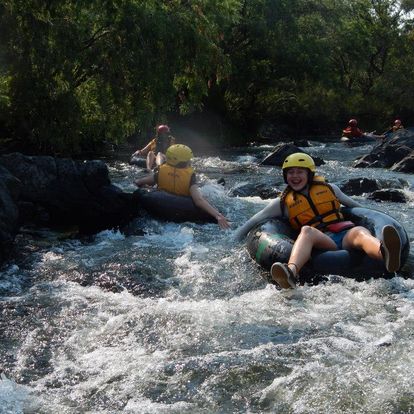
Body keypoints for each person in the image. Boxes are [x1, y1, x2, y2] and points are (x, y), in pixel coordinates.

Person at [234, 152, 402, 289]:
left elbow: (361, 211)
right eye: (291, 172)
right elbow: (254, 221)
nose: (295, 176)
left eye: (300, 172)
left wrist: (379, 223)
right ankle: (290, 272)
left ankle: (385, 254)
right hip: (322, 240)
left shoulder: (330, 189)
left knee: (360, 232)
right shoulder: (282, 203)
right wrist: (233, 239)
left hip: (344, 235)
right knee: (307, 230)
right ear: (286, 176)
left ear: (309, 174)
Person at [134, 144, 231, 229]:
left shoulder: (160, 172)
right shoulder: (190, 176)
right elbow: (199, 200)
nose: (190, 162)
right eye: (188, 160)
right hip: (183, 210)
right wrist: (218, 215)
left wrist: (148, 189)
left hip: (160, 208)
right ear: (184, 162)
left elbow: (138, 182)